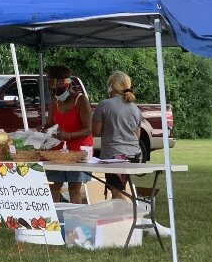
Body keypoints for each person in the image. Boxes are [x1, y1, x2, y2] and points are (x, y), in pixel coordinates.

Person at [44, 65, 93, 204]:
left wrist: (70, 136)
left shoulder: (81, 100)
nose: (49, 86)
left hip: (78, 151)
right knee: (55, 186)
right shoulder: (55, 101)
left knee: (74, 188)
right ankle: (53, 222)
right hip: (58, 150)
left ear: (63, 82)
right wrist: (44, 128)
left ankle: (74, 222)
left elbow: (89, 129)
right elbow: (50, 124)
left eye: (51, 82)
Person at [92, 71, 143, 200]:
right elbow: (137, 136)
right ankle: (124, 216)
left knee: (116, 193)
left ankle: (129, 216)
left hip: (114, 156)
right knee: (120, 190)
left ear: (112, 86)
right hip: (134, 155)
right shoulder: (135, 109)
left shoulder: (105, 104)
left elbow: (95, 131)